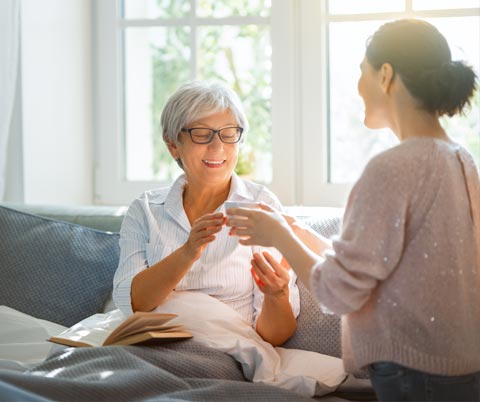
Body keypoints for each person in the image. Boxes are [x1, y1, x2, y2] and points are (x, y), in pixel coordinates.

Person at [226, 19, 480, 401]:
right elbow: (388, 265)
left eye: (362, 72)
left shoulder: (391, 168)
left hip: (413, 375)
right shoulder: (461, 160)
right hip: (460, 367)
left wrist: (277, 235)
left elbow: (338, 292)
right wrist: (295, 232)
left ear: (386, 75)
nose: (358, 87)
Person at [113, 81, 299, 346]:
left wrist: (277, 295)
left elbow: (275, 336)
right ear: (173, 144)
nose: (216, 146)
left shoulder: (261, 206)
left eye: (228, 133)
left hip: (225, 352)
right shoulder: (145, 210)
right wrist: (188, 251)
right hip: (151, 348)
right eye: (201, 134)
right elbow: (130, 302)